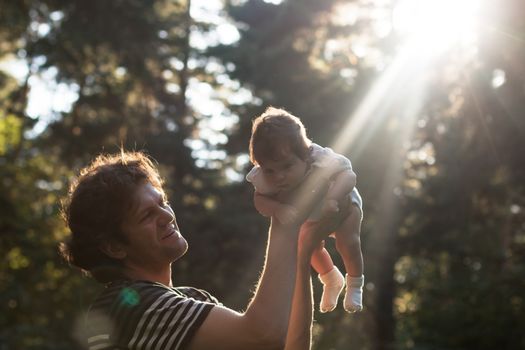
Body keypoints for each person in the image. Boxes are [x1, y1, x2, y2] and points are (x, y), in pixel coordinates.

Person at [60, 150, 336, 350]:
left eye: (163, 202)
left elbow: (282, 344)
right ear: (114, 246)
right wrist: (284, 215)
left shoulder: (188, 300)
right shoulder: (130, 305)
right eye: (146, 215)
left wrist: (300, 251)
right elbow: (263, 335)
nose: (167, 216)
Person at [246, 107, 365, 313]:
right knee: (307, 246)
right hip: (312, 214)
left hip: (343, 206)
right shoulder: (266, 178)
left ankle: (355, 284)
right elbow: (260, 201)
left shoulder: (320, 158)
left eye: (287, 166)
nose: (279, 176)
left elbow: (349, 176)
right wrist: (278, 208)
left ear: (305, 156)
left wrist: (333, 198)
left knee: (347, 242)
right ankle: (331, 279)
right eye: (270, 170)